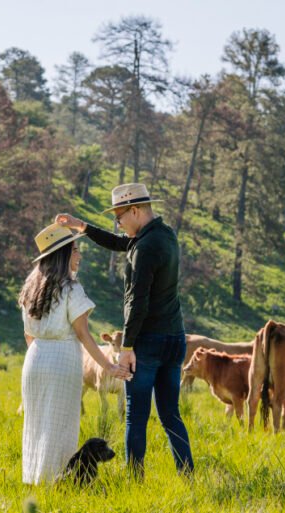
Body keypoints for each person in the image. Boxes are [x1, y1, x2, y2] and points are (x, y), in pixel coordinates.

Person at [56, 183, 194, 478]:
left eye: (119, 217)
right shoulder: (165, 236)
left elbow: (136, 301)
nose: (117, 223)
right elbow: (121, 243)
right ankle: (188, 475)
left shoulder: (144, 248)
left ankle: (134, 478)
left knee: (136, 414)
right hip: (175, 338)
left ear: (134, 211)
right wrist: (82, 226)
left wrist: (128, 347)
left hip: (148, 341)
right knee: (171, 414)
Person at [19, 223, 131, 485]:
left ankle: (35, 480)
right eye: (76, 250)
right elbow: (83, 333)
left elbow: (28, 335)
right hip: (63, 360)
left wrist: (41, 357)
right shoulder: (70, 288)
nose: (79, 255)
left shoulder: (30, 289)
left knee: (35, 424)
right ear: (63, 255)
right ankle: (57, 482)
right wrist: (109, 366)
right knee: (60, 426)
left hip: (34, 359)